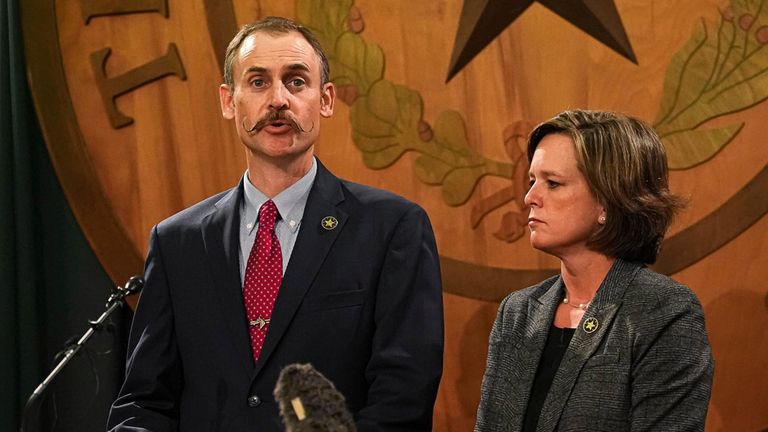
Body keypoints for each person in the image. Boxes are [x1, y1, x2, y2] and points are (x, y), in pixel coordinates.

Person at [107, 16, 444, 431]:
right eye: (258, 82)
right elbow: (144, 403)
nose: (278, 100)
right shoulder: (178, 242)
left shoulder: (392, 229)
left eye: (296, 81)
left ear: (326, 99)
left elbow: (403, 401)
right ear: (229, 102)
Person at [475, 110, 713, 431]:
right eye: (532, 181)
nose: (529, 197)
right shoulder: (516, 313)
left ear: (607, 201)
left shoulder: (664, 312)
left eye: (553, 183)